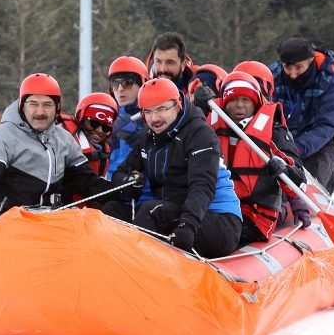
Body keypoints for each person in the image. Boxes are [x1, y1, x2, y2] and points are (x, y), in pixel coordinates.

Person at [102, 78, 242, 258]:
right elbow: (121, 172)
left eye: (161, 109)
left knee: (152, 211)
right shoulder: (148, 137)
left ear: (178, 106)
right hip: (174, 210)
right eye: (148, 112)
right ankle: (105, 264)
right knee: (112, 210)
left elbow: (202, 186)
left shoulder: (199, 134)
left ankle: (138, 268)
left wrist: (187, 225)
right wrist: (127, 181)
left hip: (217, 220)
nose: (155, 118)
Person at [0, 73, 122, 235]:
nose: (40, 111)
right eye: (33, 104)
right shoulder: (0, 138)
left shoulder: (64, 140)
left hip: (53, 222)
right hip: (10, 223)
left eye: (47, 105)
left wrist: (121, 190)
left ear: (57, 108)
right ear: (22, 105)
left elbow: (86, 181)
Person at [200, 70, 307, 244]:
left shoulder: (273, 130)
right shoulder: (208, 123)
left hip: (255, 217)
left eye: (245, 100)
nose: (240, 105)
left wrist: (283, 168)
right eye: (233, 100)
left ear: (255, 102)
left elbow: (299, 180)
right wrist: (197, 107)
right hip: (217, 207)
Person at [269, 36, 334, 193]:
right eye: (287, 68)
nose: (293, 74)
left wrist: (296, 149)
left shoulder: (330, 78)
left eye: (298, 67)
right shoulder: (273, 76)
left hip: (318, 141)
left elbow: (327, 124)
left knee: (309, 190)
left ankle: (328, 178)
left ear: (311, 59)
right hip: (282, 139)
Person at [106, 56, 149, 179]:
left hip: (147, 191)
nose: (120, 89)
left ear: (142, 84)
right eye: (115, 83)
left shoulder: (155, 113)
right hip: (114, 189)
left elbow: (162, 158)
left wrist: (134, 137)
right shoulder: (108, 117)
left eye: (127, 83)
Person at [74, 92, 118, 177]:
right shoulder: (63, 142)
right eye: (94, 123)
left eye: (106, 127)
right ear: (81, 119)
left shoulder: (104, 152)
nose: (100, 130)